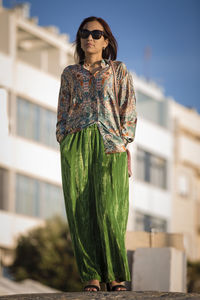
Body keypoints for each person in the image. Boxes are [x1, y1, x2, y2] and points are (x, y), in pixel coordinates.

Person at [56, 16, 137, 292]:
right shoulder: (69, 73)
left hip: (110, 143)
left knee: (110, 211)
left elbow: (129, 107)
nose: (89, 37)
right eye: (84, 33)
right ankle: (91, 276)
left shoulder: (118, 70)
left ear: (106, 40)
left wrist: (123, 141)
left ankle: (115, 277)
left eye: (95, 33)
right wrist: (64, 139)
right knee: (81, 211)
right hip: (76, 144)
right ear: (80, 39)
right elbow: (62, 112)